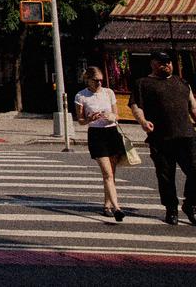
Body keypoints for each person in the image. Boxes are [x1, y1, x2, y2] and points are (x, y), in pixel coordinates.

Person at [129, 49, 196, 225]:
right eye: (162, 62)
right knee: (166, 176)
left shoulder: (182, 82)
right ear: (153, 63)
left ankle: (190, 204)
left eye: (169, 62)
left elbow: (193, 107)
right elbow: (136, 106)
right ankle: (171, 209)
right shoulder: (143, 83)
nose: (167, 65)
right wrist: (142, 121)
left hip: (187, 136)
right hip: (160, 138)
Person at [74, 66, 127, 221]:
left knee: (111, 174)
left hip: (111, 132)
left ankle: (107, 205)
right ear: (87, 79)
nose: (98, 83)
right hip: (96, 135)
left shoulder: (108, 92)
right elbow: (81, 120)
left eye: (101, 80)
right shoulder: (81, 96)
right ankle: (117, 208)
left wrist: (112, 116)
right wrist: (91, 118)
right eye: (95, 80)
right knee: (107, 173)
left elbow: (117, 114)